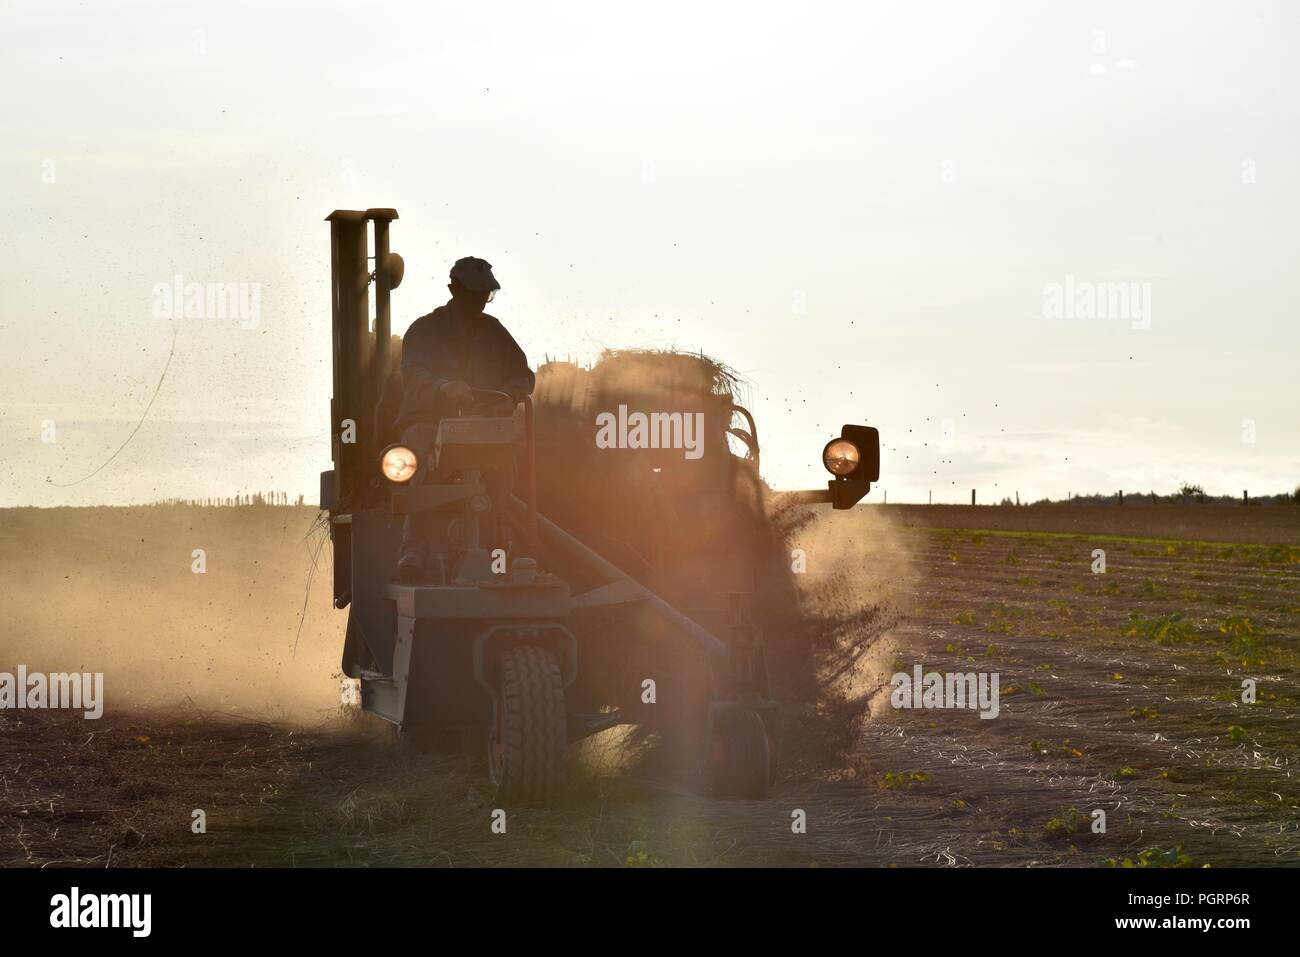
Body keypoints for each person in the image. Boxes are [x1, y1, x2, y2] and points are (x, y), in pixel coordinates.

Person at [394, 256, 535, 582]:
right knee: (422, 455)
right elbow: (414, 376)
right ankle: (414, 550)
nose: (480, 303)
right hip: (426, 420)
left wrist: (508, 396)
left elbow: (522, 374)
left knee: (503, 464)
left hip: (481, 425)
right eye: (473, 295)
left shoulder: (494, 332)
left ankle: (495, 546)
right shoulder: (424, 330)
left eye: (485, 296)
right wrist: (444, 388)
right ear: (454, 290)